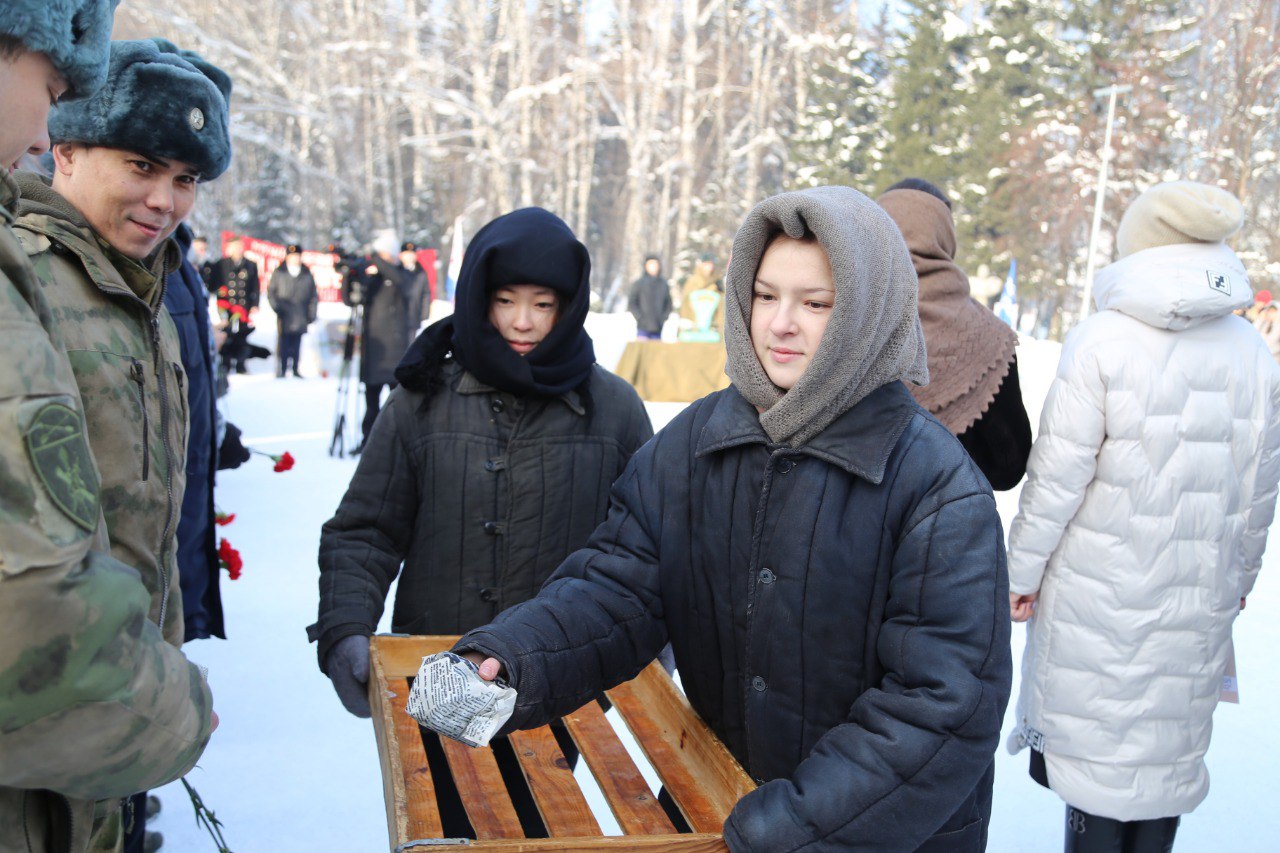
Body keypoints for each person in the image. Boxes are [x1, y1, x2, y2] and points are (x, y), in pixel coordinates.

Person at [451, 187, 1012, 851]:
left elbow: (940, 707)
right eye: (766, 295)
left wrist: (791, 827)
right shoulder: (697, 441)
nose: (780, 322)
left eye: (816, 303)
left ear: (867, 312)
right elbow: (618, 585)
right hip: (725, 809)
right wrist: (514, 657)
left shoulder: (934, 485)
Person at [1006, 181, 1280, 852]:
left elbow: (1057, 477)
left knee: (1094, 757)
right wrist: (1239, 577)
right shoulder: (1251, 350)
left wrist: (1022, 570)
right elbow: (1258, 489)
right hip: (1198, 595)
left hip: (1097, 595)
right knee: (1163, 751)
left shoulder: (1102, 340)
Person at [0, 10, 215, 851]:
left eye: (188, 178)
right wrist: (158, 709)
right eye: (142, 166)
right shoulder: (31, 284)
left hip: (104, 728)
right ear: (67, 146)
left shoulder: (148, 293)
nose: (164, 199)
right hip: (56, 722)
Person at [878, 178, 1031, 490]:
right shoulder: (989, 339)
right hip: (949, 529)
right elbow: (1008, 467)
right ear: (945, 236)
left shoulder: (832, 318)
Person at [353, 230, 415, 446]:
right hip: (373, 351)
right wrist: (351, 274)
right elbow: (351, 299)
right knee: (371, 403)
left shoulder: (402, 274)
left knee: (395, 404)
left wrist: (376, 258)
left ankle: (394, 445)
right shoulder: (373, 278)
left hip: (394, 351)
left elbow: (401, 281)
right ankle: (367, 441)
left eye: (383, 254)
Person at [267, 242, 318, 377]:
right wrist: (278, 308)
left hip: (301, 312)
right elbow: (271, 293)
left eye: (297, 256)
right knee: (284, 342)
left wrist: (311, 313)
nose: (295, 259)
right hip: (285, 313)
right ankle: (282, 368)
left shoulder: (306, 273)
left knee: (297, 343)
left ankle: (295, 368)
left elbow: (313, 295)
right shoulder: (280, 272)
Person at [212, 234, 259, 373]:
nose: (238, 249)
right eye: (235, 247)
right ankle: (225, 362)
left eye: (240, 246)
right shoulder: (222, 264)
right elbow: (215, 284)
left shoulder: (250, 264)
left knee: (242, 335)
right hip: (226, 305)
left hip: (243, 305)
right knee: (226, 333)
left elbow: (255, 286)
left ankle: (241, 363)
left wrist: (255, 304)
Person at [627, 253, 672, 339]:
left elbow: (668, 304)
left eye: (655, 264)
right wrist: (640, 318)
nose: (653, 267)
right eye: (651, 264)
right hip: (643, 328)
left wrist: (663, 318)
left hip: (658, 328)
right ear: (646, 266)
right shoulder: (639, 284)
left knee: (656, 352)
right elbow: (632, 303)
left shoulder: (663, 284)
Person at [400, 239, 433, 329]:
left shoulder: (421, 273)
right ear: (401, 256)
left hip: (415, 315)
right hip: (398, 317)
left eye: (411, 254)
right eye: (406, 255)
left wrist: (424, 314)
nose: (409, 257)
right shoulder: (396, 271)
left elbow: (426, 294)